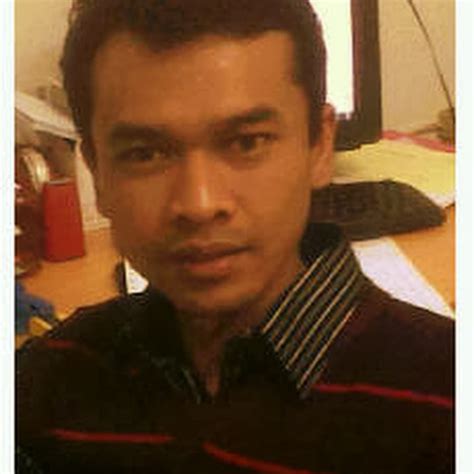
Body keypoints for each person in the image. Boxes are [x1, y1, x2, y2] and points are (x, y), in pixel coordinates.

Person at [16, 0, 454, 473]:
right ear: (97, 173)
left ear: (320, 145)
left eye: (247, 142)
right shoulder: (50, 379)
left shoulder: (446, 400)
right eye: (145, 154)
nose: (199, 203)